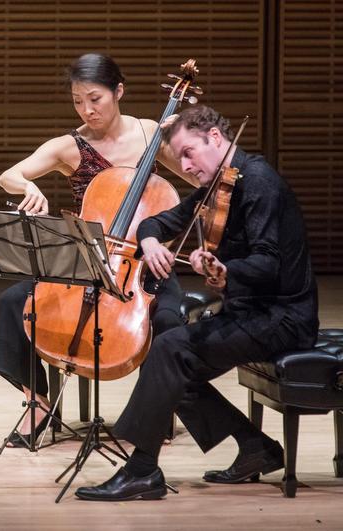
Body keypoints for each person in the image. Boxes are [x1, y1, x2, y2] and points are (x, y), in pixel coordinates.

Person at [75, 105, 319, 502]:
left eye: (190, 152)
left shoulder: (259, 183)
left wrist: (227, 270)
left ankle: (142, 470)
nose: (185, 165)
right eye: (180, 157)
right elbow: (157, 222)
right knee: (170, 365)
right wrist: (150, 242)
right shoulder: (217, 185)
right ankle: (255, 447)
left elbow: (270, 262)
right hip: (248, 313)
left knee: (170, 349)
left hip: (284, 316)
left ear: (216, 139)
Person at [0, 53, 197, 446]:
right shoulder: (69, 147)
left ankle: (153, 409)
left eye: (95, 99)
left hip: (143, 262)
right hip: (88, 259)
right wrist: (27, 186)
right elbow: (9, 176)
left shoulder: (150, 133)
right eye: (77, 101)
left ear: (118, 92)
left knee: (170, 322)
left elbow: (197, 173)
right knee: (12, 301)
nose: (87, 110)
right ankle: (37, 402)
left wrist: (183, 139)